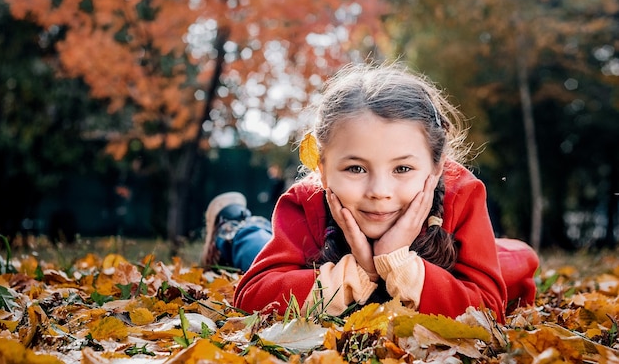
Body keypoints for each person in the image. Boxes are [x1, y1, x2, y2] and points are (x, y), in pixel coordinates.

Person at [201, 62, 539, 321]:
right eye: (355, 168)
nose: (379, 191)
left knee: (514, 260)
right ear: (322, 169)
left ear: (437, 167)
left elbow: (487, 307)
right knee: (255, 248)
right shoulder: (306, 202)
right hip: (319, 257)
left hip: (442, 256)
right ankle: (234, 229)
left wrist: (397, 262)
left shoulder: (460, 194)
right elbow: (251, 294)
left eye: (402, 169)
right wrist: (356, 274)